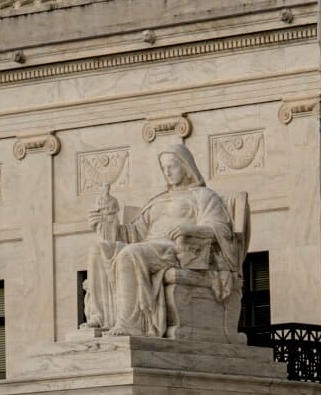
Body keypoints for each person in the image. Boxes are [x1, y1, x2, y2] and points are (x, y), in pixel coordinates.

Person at [81, 144, 240, 337]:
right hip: (148, 246)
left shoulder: (203, 196)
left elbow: (220, 228)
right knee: (99, 249)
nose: (167, 172)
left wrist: (188, 229)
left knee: (131, 253)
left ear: (186, 167)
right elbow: (134, 233)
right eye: (164, 168)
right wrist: (107, 222)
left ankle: (130, 324)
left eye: (172, 166)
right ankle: (101, 317)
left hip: (177, 250)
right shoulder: (158, 200)